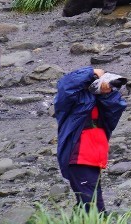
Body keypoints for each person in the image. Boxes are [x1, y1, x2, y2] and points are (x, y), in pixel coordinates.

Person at [53, 67, 124, 211]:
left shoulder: (100, 102)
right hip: (79, 158)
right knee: (93, 205)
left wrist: (106, 92)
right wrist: (91, 72)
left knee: (88, 202)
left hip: (94, 158)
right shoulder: (71, 102)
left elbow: (116, 107)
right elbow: (65, 85)